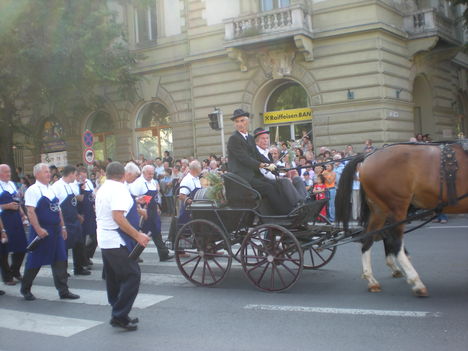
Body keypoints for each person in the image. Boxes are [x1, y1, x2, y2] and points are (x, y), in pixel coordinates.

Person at [96, 162, 150, 331]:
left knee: (114, 278)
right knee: (132, 275)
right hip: (115, 239)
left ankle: (118, 310)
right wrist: (137, 235)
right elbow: (118, 216)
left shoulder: (104, 187)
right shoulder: (119, 189)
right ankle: (119, 315)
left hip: (105, 238)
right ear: (124, 174)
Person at [21, 163, 80, 301]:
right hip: (42, 232)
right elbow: (30, 211)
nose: (49, 174)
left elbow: (58, 210)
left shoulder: (51, 189)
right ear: (37, 175)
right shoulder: (33, 190)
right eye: (45, 172)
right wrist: (38, 229)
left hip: (56, 231)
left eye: (49, 172)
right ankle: (25, 289)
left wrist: (63, 227)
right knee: (35, 262)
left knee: (60, 259)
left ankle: (63, 291)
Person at [227, 109, 291, 215]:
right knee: (269, 187)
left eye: (242, 121)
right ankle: (284, 214)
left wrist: (276, 166)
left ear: (247, 122)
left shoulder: (250, 138)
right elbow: (245, 159)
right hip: (242, 178)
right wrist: (264, 165)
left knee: (277, 184)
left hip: (253, 175)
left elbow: (258, 155)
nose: (239, 124)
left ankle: (284, 210)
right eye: (237, 121)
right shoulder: (234, 139)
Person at [253, 128, 306, 208]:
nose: (266, 140)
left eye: (267, 138)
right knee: (285, 181)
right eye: (263, 138)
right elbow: (264, 172)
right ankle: (297, 205)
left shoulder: (267, 153)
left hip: (274, 178)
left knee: (297, 179)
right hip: (265, 181)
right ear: (256, 141)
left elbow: (274, 168)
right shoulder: (255, 154)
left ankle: (303, 202)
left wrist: (286, 171)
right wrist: (279, 177)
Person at [129, 165, 173, 262]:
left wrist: (157, 206)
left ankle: (163, 254)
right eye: (149, 173)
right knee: (143, 234)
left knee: (157, 231)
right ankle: (134, 255)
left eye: (152, 173)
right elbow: (132, 198)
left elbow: (155, 197)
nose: (151, 175)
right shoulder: (138, 183)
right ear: (143, 173)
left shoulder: (153, 181)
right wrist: (140, 209)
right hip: (143, 211)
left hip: (153, 210)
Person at [52, 165, 90, 276]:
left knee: (79, 244)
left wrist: (78, 216)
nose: (76, 177)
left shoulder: (69, 186)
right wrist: (62, 224)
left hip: (74, 220)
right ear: (71, 174)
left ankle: (79, 267)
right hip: (65, 221)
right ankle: (63, 270)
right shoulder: (57, 186)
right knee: (64, 247)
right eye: (75, 174)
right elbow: (56, 207)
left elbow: (73, 203)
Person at [0, 164, 28, 284]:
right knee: (4, 251)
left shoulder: (11, 184)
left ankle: (15, 270)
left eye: (9, 171)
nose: (9, 174)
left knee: (21, 247)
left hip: (16, 219)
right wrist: (6, 206)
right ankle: (7, 277)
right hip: (3, 220)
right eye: (6, 172)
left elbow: (17, 201)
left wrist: (23, 214)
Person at [76, 167, 97, 266]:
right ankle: (83, 260)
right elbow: (79, 199)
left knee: (95, 236)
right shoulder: (75, 184)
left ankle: (87, 255)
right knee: (82, 238)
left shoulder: (88, 182)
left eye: (85, 176)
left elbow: (92, 195)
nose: (84, 178)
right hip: (82, 213)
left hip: (91, 212)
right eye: (82, 176)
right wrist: (81, 189)